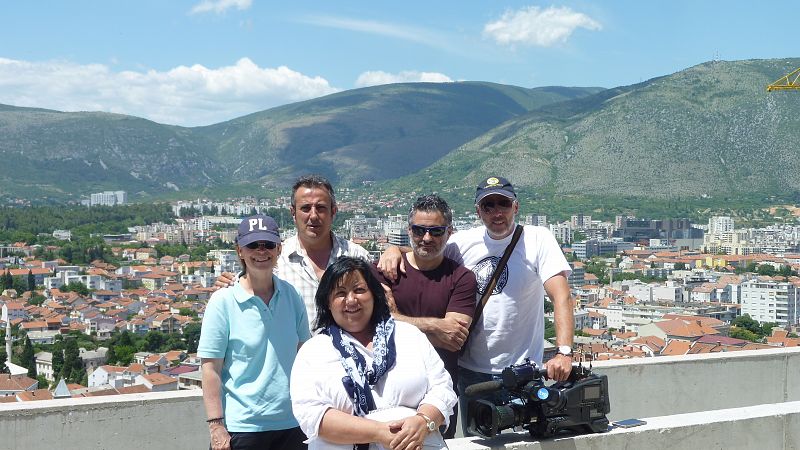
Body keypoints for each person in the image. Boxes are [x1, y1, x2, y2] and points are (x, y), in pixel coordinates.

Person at [378, 176, 575, 432]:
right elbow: (427, 250)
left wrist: (564, 352)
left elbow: (561, 296)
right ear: (478, 211)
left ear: (516, 207)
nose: (497, 212)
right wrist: (394, 250)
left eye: (503, 204)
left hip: (523, 371)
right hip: (471, 371)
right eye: (488, 206)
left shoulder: (538, 239)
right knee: (477, 439)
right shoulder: (462, 243)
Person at [291, 256, 456, 450]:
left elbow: (442, 387)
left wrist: (423, 421)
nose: (351, 300)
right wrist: (379, 433)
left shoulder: (409, 335)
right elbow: (311, 415)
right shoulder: (313, 351)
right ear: (327, 302)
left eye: (359, 290)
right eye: (340, 293)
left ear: (374, 295)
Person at [199, 215, 311, 450]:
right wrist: (216, 426)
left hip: (293, 423)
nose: (261, 251)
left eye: (268, 245)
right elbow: (211, 369)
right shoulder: (223, 301)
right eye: (253, 245)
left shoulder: (291, 296)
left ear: (278, 249)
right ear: (240, 251)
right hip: (243, 428)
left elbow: (304, 357)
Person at [379, 194, 476, 438]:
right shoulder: (384, 271)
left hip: (437, 397)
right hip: (385, 393)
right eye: (419, 230)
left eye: (435, 231)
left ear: (449, 232)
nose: (426, 238)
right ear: (409, 230)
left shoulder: (462, 278)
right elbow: (370, 329)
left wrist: (393, 318)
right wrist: (435, 328)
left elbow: (453, 337)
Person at [216, 174, 371, 324]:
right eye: (305, 208)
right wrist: (228, 284)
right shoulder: (275, 259)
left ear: (333, 212)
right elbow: (246, 286)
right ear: (293, 213)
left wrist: (395, 252)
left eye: (321, 208)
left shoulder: (357, 256)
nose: (313, 215)